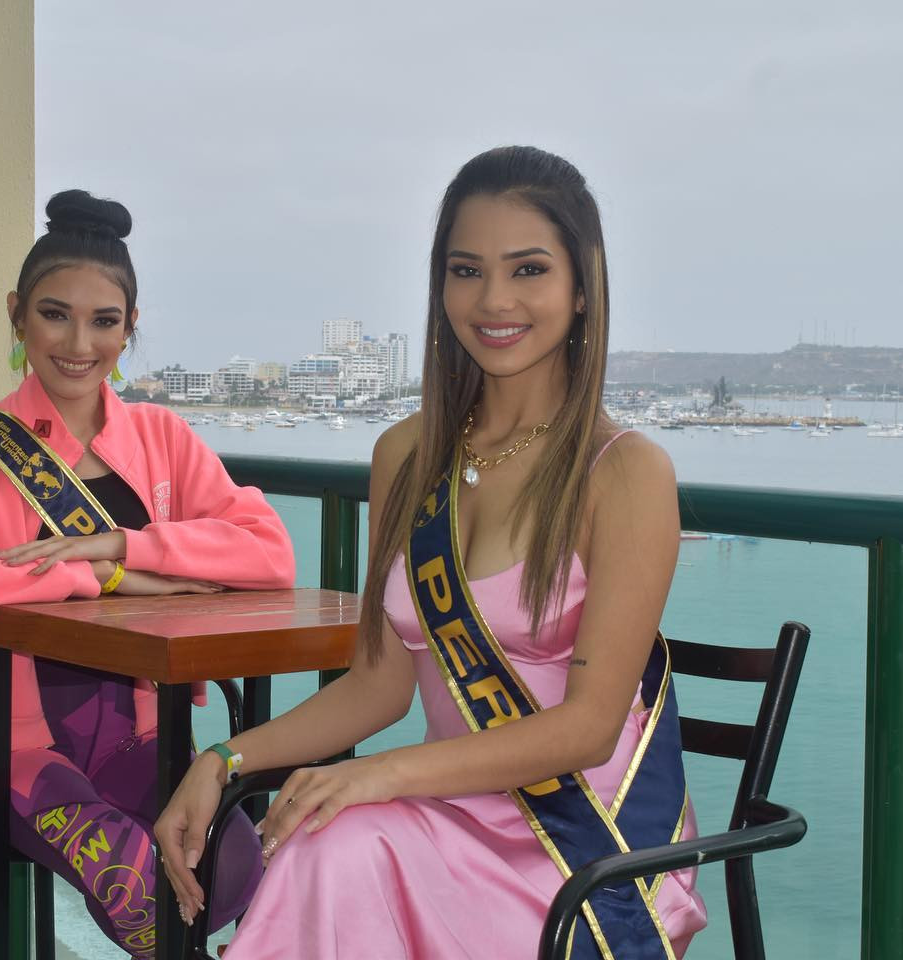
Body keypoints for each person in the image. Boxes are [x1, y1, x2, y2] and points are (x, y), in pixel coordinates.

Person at [155, 147, 708, 959]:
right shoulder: (407, 457)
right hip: (453, 814)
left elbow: (590, 730)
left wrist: (376, 776)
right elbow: (382, 684)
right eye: (465, 269)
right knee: (318, 845)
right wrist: (224, 760)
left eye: (528, 270)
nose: (493, 300)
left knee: (330, 844)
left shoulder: (622, 472)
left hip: (591, 852)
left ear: (582, 287)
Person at [0, 190, 295, 959]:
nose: (78, 342)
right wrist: (99, 580)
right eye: (55, 314)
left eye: (104, 321)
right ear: (18, 314)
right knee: (141, 882)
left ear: (130, 326)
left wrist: (121, 548)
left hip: (140, 741)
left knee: (242, 864)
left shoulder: (160, 436)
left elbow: (269, 552)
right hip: (13, 754)